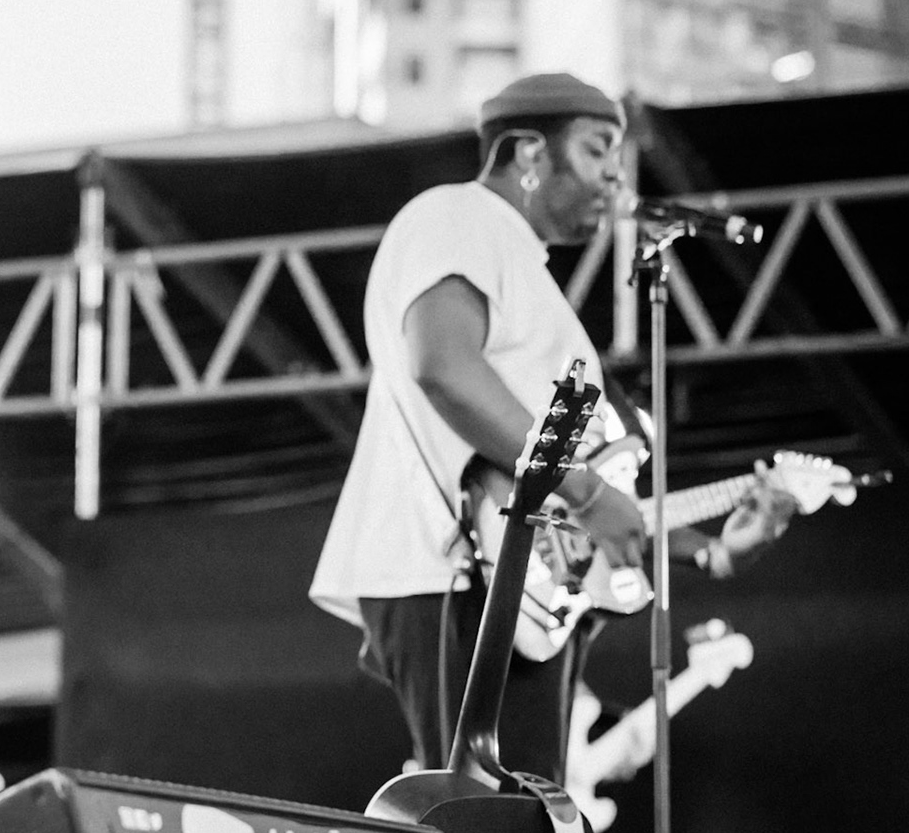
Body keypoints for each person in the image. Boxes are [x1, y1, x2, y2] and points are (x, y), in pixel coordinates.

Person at [308, 72, 792, 786]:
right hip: (451, 568)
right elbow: (443, 366)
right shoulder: (457, 217)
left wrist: (712, 553)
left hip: (514, 586)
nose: (613, 179)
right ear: (529, 152)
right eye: (599, 150)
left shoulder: (520, 268)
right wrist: (591, 494)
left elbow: (567, 511)